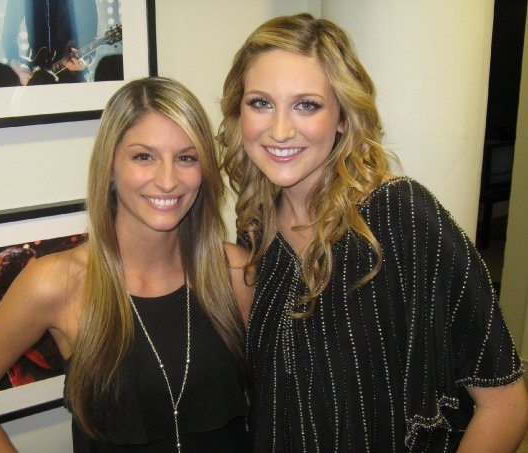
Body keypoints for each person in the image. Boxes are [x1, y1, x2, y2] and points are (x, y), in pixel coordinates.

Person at [218, 13, 528, 452]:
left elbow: (505, 403)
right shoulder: (256, 227)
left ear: (343, 118)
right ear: (239, 114)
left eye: (307, 105)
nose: (280, 130)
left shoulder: (402, 216)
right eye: (261, 103)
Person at [0, 76, 253, 452]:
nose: (168, 180)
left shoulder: (234, 272)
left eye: (186, 158)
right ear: (110, 167)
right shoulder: (56, 282)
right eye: (144, 156)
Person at [1, 0, 98, 85]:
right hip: (36, 75)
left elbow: (90, 34)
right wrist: (18, 67)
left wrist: (84, 61)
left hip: (73, 76)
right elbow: (9, 34)